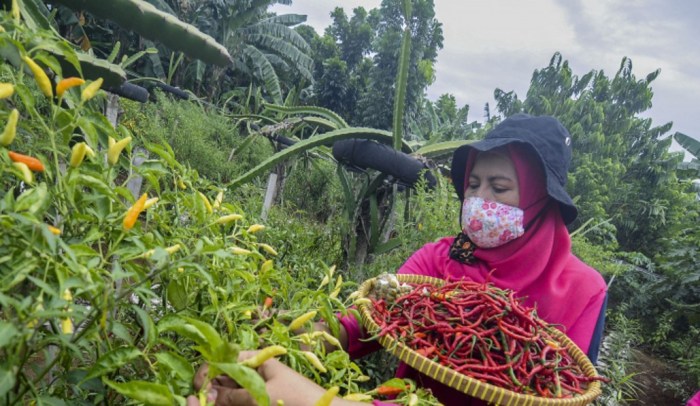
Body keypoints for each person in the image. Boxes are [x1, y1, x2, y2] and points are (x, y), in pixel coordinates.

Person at [194, 113, 608, 406]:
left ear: (541, 201)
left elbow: (559, 392)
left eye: (500, 188)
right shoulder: (444, 257)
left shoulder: (582, 290)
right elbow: (363, 323)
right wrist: (278, 347)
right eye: (474, 184)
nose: (480, 201)